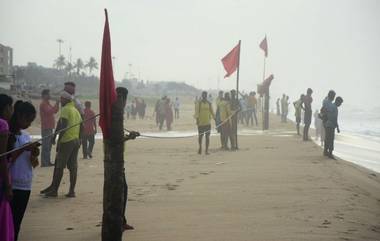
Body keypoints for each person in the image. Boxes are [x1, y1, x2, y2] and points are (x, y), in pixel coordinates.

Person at [8, 100, 39, 241]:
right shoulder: (8, 135)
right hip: (11, 185)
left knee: (17, 223)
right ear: (19, 116)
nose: (29, 124)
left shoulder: (26, 135)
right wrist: (23, 148)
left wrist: (33, 153)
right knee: (9, 223)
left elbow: (34, 164)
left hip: (26, 185)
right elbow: (7, 160)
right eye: (28, 120)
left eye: (31, 121)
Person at [44, 91, 82, 198]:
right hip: (75, 140)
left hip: (66, 141)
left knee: (60, 166)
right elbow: (81, 126)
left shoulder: (66, 109)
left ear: (65, 99)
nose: (60, 100)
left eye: (61, 99)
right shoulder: (75, 110)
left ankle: (54, 190)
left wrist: (58, 140)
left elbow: (63, 125)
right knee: (73, 167)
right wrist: (79, 139)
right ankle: (72, 191)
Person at [0, 94, 15, 241]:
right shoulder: (3, 124)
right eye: (11, 107)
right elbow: (2, 158)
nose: (12, 111)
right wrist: (8, 185)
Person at [39, 89, 59, 167]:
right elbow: (49, 112)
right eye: (48, 94)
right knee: (46, 146)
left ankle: (47, 161)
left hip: (49, 127)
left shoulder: (47, 103)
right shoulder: (43, 104)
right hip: (46, 127)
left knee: (49, 145)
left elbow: (55, 111)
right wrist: (56, 103)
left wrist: (57, 104)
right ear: (44, 95)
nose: (50, 96)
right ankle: (44, 163)